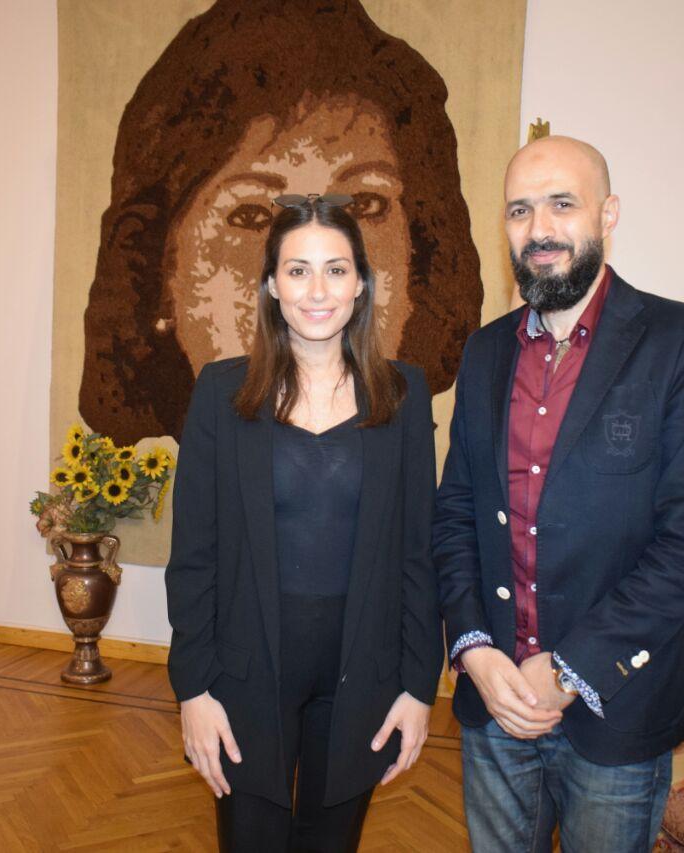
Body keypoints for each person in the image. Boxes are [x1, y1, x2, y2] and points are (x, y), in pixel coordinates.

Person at [433, 136, 684, 852]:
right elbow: (456, 513)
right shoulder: (484, 351)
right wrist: (474, 650)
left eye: (561, 204)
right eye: (519, 210)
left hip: (618, 707)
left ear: (607, 213)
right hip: (495, 701)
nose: (538, 228)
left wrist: (570, 669)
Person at [165, 194, 444, 852]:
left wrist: (418, 687)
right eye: (297, 270)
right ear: (270, 285)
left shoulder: (404, 395)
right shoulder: (221, 392)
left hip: (364, 677)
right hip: (243, 677)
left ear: (361, 284)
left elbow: (418, 555)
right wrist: (193, 690)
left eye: (336, 270)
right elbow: (195, 554)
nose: (317, 291)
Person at [79, 0, 482, 446]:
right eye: (251, 216)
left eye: (365, 205)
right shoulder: (205, 435)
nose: (313, 282)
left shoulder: (409, 418)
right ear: (157, 278)